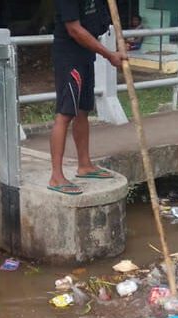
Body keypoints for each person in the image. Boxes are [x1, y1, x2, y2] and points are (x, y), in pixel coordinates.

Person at [48, 0, 127, 195]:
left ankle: (85, 165)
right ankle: (56, 176)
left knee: (83, 110)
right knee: (65, 113)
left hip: (85, 54)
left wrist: (118, 44)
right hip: (69, 56)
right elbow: (74, 30)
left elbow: (99, 22)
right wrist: (109, 55)